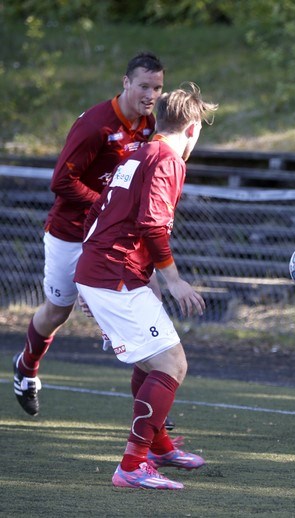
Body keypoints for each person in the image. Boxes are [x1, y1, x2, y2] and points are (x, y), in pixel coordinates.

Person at [11, 52, 177, 429]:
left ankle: (156, 413)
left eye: (158, 87)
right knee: (58, 309)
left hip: (112, 237)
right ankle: (26, 366)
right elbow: (61, 182)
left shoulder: (150, 126)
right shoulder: (95, 125)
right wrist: (106, 205)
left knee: (140, 304)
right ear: (125, 83)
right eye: (144, 86)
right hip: (70, 232)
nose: (151, 94)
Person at [74, 82, 217, 489]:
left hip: (107, 270)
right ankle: (133, 466)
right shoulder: (168, 159)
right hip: (112, 274)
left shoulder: (136, 152)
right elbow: (153, 224)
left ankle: (159, 447)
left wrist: (93, 277)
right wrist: (172, 280)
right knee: (172, 364)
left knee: (150, 361)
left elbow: (100, 214)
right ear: (191, 129)